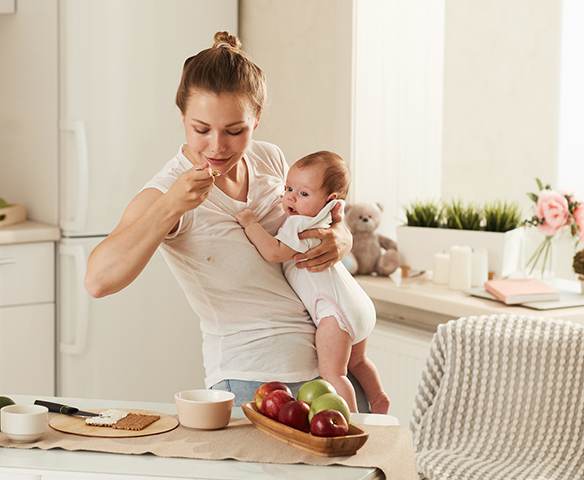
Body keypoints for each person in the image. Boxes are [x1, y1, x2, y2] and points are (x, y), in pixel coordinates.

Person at [83, 31, 363, 408]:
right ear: (181, 116)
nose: (217, 146)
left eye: (235, 131)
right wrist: (171, 206)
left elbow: (312, 216)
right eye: (201, 130)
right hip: (250, 379)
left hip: (324, 366)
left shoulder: (269, 159)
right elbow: (98, 281)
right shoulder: (165, 192)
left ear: (257, 120)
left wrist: (341, 235)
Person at [234, 151, 390, 414]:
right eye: (288, 188)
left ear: (331, 202)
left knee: (333, 373)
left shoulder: (301, 225)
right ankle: (378, 398)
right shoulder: (328, 222)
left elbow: (273, 252)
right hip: (357, 305)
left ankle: (353, 422)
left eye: (303, 194)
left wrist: (251, 224)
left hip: (335, 315)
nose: (291, 197)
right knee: (359, 361)